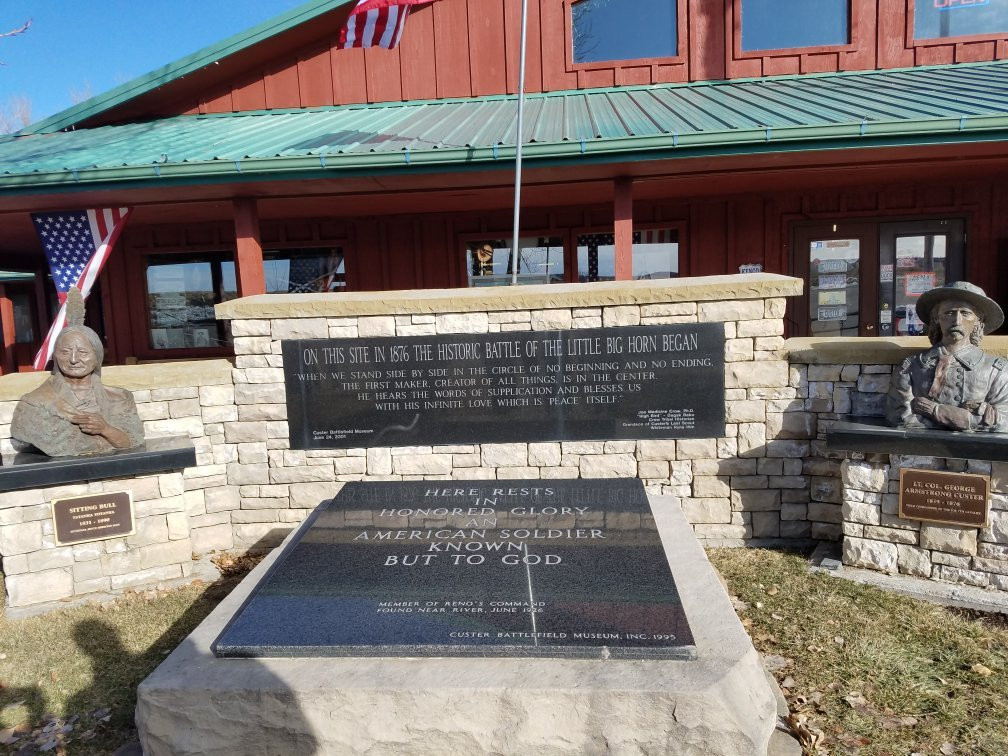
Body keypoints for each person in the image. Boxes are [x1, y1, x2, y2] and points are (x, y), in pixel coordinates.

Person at [885, 281, 1008, 432]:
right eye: (949, 313)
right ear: (936, 318)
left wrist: (938, 411)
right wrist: (976, 420)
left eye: (965, 313)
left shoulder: (997, 370)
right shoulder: (910, 367)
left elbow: (1003, 420)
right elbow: (899, 415)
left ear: (978, 321)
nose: (957, 321)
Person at [10, 322, 144, 457]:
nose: (73, 360)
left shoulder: (120, 398)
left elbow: (131, 441)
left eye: (83, 352)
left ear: (97, 356)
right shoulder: (34, 402)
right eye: (65, 352)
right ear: (55, 356)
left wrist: (105, 429)